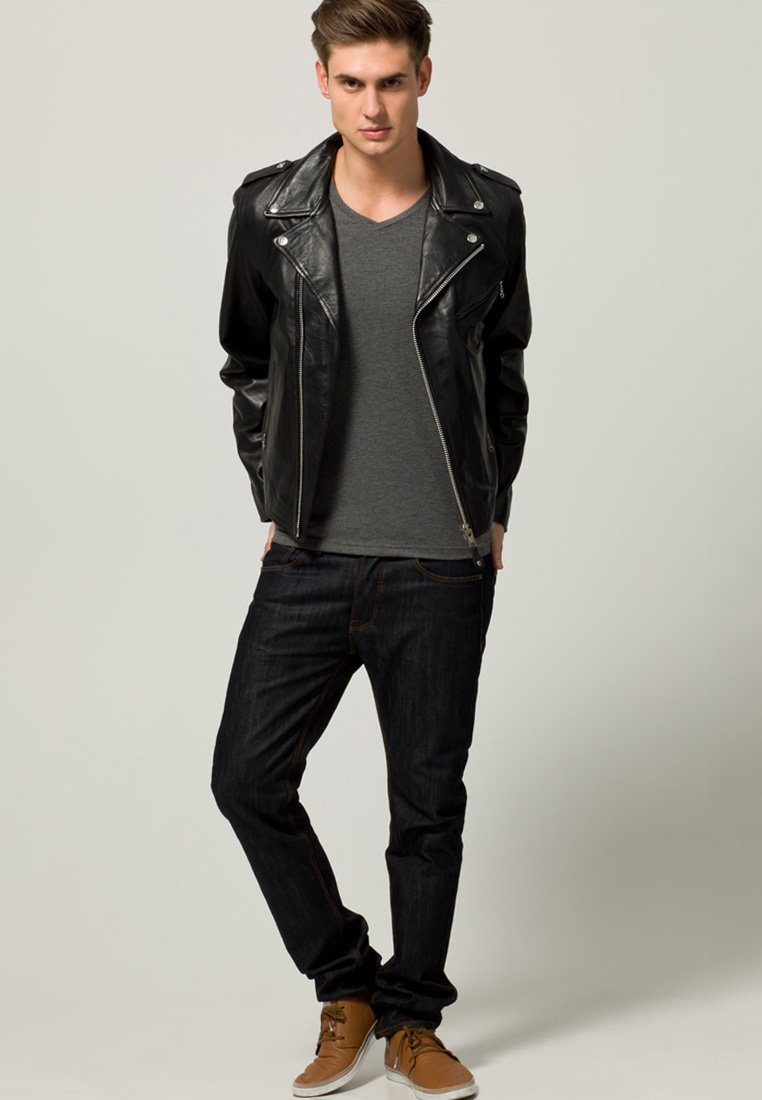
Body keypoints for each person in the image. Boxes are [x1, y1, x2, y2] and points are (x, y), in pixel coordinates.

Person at [210, 2, 531, 1097]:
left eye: (391, 80)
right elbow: (249, 360)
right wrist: (275, 489)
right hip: (311, 554)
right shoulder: (272, 211)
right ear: (322, 81)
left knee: (426, 806)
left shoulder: (486, 209)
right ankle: (345, 980)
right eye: (352, 82)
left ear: (424, 76)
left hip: (441, 560)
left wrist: (492, 506)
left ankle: (414, 1019)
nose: (373, 105)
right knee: (247, 777)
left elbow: (503, 366)